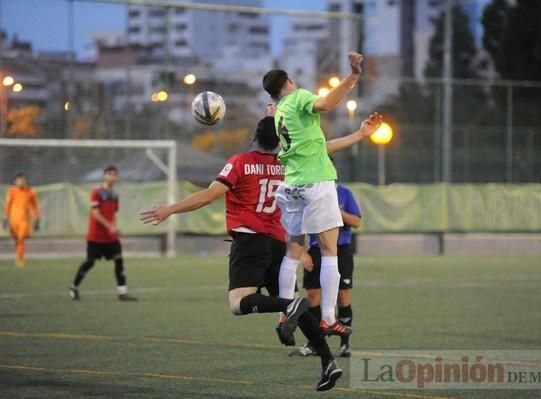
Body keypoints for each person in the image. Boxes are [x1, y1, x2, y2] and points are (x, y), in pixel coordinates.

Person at [139, 106, 382, 391]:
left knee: (239, 303)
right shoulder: (289, 161)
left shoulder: (240, 162)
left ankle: (288, 305)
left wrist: (169, 209)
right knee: (297, 308)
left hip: (250, 242)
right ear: (280, 141)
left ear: (254, 136)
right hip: (280, 243)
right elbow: (324, 146)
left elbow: (209, 195)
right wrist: (360, 134)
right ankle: (329, 362)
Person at [262, 51, 366, 336]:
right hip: (315, 182)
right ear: (290, 81)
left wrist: (359, 135)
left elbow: (317, 145)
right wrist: (354, 76)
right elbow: (327, 103)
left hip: (291, 185)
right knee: (330, 250)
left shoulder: (279, 111)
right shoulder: (298, 98)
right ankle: (329, 318)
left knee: (293, 251)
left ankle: (285, 314)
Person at [292, 176, 361, 358]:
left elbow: (356, 221)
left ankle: (345, 344)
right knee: (313, 296)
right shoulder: (309, 193)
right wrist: (303, 253)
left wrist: (337, 212)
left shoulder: (344, 193)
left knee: (342, 295)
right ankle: (314, 343)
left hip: (341, 250)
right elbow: (297, 224)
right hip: (316, 250)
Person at [69, 166, 137, 302]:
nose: (112, 177)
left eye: (114, 174)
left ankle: (122, 292)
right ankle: (74, 286)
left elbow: (112, 214)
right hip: (96, 235)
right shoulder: (96, 192)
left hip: (111, 236)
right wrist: (110, 226)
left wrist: (115, 227)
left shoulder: (115, 195)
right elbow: (95, 213)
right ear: (104, 176)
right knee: (90, 262)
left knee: (119, 260)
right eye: (109, 174)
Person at [2, 173, 41, 269]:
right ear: (15, 182)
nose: (20, 182)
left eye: (22, 180)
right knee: (16, 240)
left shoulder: (30, 192)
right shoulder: (11, 192)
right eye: (19, 180)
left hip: (24, 221)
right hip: (13, 221)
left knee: (21, 239)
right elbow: (8, 206)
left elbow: (35, 206)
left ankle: (20, 260)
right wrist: (5, 218)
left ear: (25, 181)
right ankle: (18, 257)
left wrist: (38, 217)